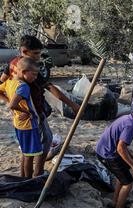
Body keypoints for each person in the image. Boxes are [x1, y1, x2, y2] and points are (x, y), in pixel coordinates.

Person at [0, 35, 80, 176]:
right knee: (43, 143)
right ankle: (37, 174)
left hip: (21, 117)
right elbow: (50, 87)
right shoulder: (29, 70)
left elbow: (2, 83)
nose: (38, 56)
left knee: (27, 150)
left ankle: (26, 177)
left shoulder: (13, 64)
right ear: (24, 51)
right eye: (35, 53)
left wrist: (11, 104)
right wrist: (72, 104)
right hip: (34, 114)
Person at [0, 57, 42, 178]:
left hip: (18, 124)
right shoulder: (24, 87)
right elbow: (13, 105)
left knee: (25, 152)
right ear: (23, 72)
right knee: (30, 155)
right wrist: (27, 112)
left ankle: (23, 177)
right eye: (33, 75)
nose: (35, 78)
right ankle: (28, 181)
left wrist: (8, 101)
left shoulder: (10, 82)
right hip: (28, 125)